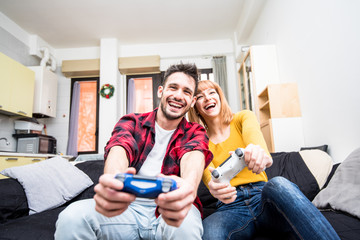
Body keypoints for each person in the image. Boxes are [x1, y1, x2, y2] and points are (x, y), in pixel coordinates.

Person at [55, 63, 213, 240]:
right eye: (173, 87)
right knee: (72, 216)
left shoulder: (195, 132)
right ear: (160, 91)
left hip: (169, 210)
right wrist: (115, 182)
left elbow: (193, 155)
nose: (178, 95)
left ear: (192, 102)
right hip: (126, 210)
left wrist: (189, 186)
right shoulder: (132, 122)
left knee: (186, 222)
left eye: (186, 91)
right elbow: (119, 147)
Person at [188, 80, 340, 240]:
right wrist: (214, 187)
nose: (207, 98)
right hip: (230, 207)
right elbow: (209, 176)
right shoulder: (199, 141)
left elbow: (257, 144)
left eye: (212, 92)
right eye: (199, 96)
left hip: (263, 197)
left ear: (219, 96)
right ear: (195, 106)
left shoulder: (242, 117)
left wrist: (257, 152)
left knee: (279, 183)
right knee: (208, 232)